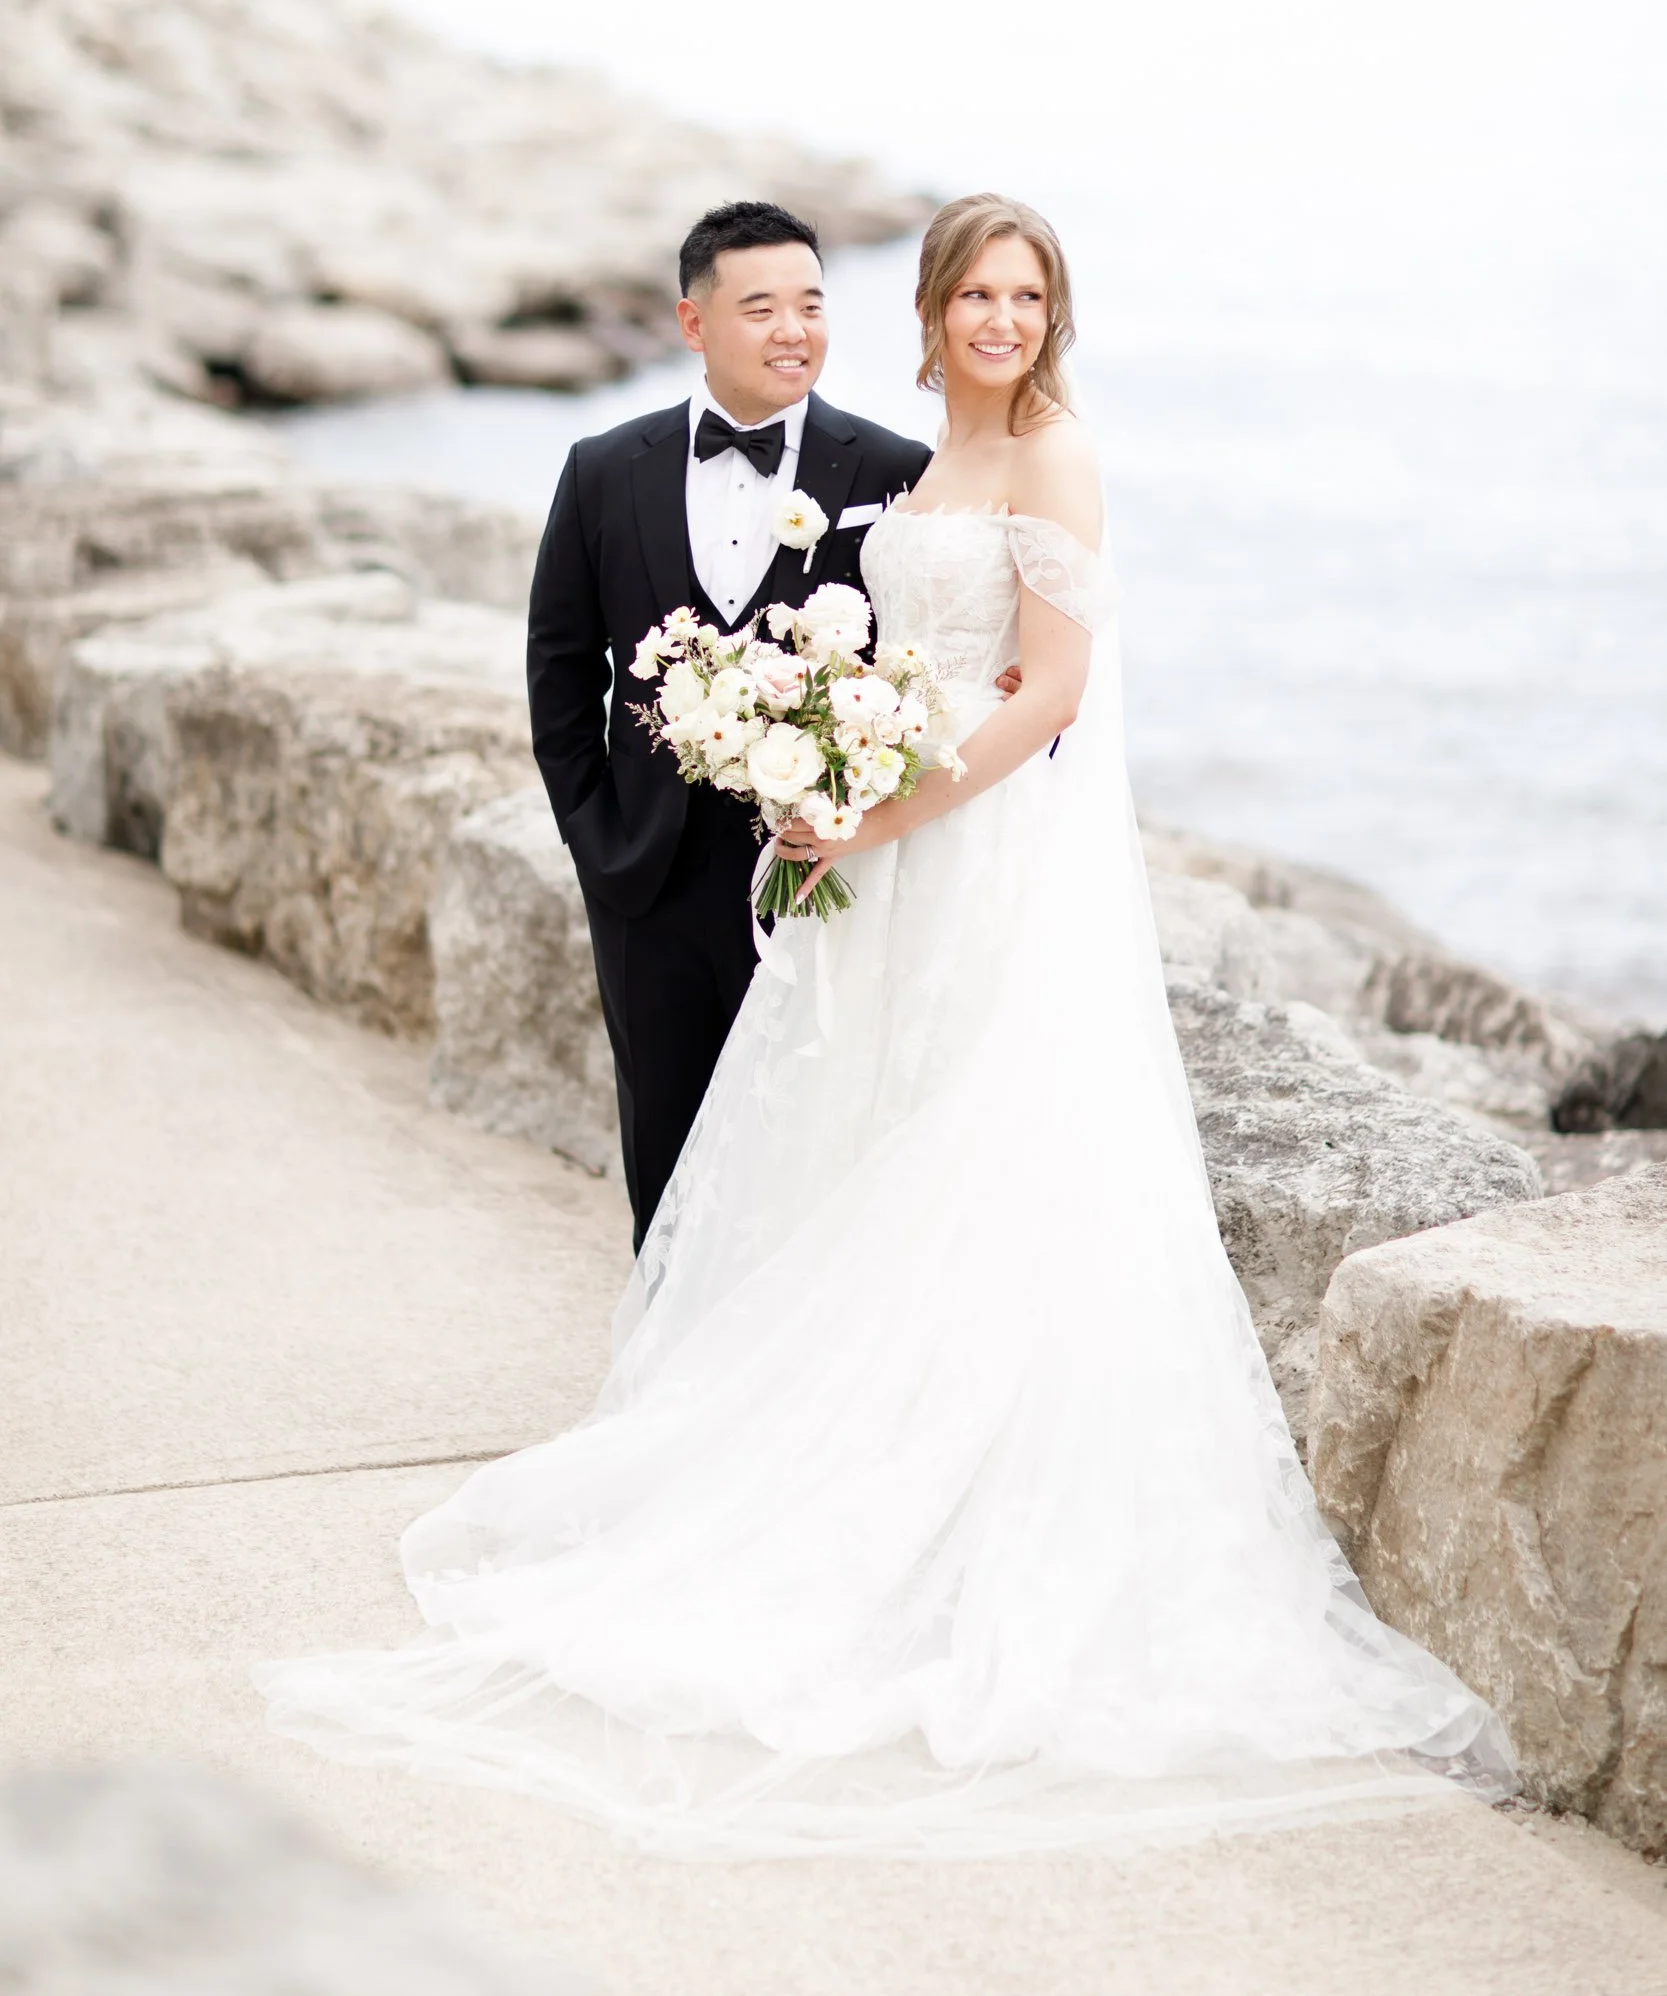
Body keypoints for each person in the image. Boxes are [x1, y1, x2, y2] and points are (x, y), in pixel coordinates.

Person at [256, 194, 1513, 1857]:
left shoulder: (1053, 455)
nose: (1000, 318)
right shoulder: (919, 462)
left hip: (976, 864)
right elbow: (799, 664)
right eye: (975, 292)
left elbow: (1051, 691)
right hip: (888, 863)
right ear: (929, 308)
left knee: (985, 1155)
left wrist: (881, 807)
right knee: (863, 1160)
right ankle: (833, 1486)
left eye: (1027, 293)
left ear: (1049, 312)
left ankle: (972, 1528)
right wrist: (830, 786)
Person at [524, 200, 932, 1248]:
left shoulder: (890, 471)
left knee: (806, 1147)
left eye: (810, 303)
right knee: (662, 1152)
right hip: (644, 878)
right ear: (693, 323)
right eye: (760, 308)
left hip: (814, 879)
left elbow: (918, 669)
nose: (793, 329)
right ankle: (664, 1385)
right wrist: (595, 838)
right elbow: (561, 670)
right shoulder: (603, 469)